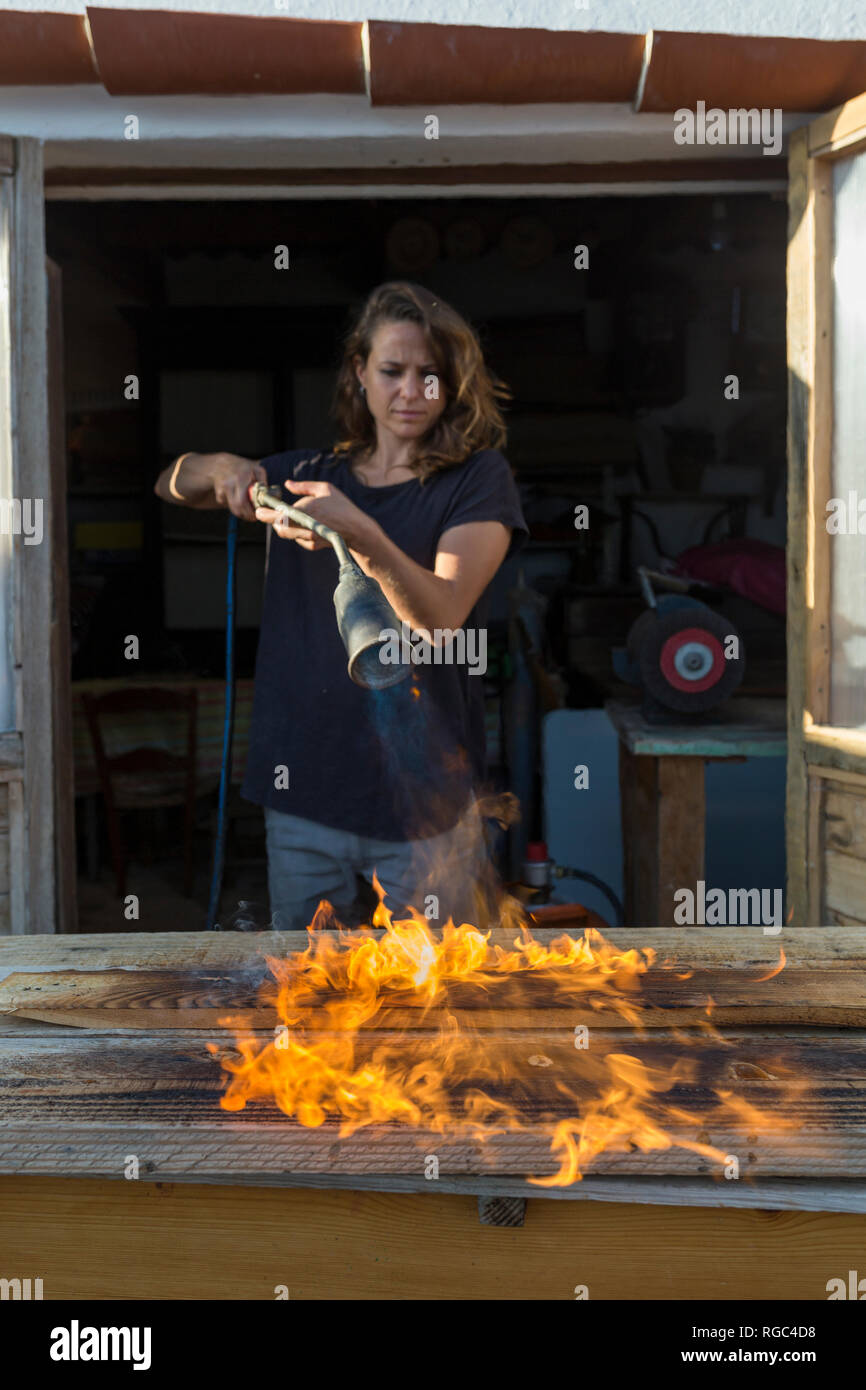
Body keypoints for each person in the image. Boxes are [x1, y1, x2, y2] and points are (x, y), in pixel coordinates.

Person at [155, 282, 528, 929]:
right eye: (391, 371)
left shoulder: (477, 479)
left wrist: (357, 529)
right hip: (303, 790)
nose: (410, 392)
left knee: (441, 1007)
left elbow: (439, 617)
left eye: (429, 375)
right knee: (309, 997)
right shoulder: (307, 474)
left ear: (453, 382)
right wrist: (226, 468)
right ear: (359, 374)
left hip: (426, 803)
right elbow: (172, 481)